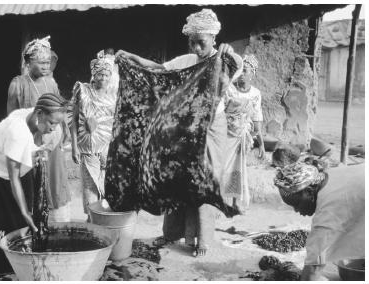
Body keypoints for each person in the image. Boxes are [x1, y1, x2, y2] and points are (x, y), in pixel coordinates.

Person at [116, 8, 243, 257]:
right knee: (180, 178)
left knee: (206, 180)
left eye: (201, 43)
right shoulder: (185, 62)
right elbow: (159, 70)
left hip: (211, 130)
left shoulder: (223, 60)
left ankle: (203, 240)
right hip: (185, 129)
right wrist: (133, 58)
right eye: (192, 42)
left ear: (214, 39)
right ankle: (173, 233)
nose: (196, 48)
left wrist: (229, 50)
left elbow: (236, 63)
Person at [0, 93, 68, 279]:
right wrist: (25, 212)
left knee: (23, 217)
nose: (54, 128)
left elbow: (43, 146)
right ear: (39, 113)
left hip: (18, 165)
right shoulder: (17, 132)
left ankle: (20, 261)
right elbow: (13, 176)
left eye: (57, 123)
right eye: (52, 123)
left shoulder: (36, 118)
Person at [7, 36, 71, 222]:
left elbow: (60, 108)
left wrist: (65, 128)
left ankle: (55, 223)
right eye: (41, 63)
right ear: (27, 62)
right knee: (33, 182)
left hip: (53, 140)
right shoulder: (17, 84)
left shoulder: (50, 82)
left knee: (55, 180)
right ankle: (35, 223)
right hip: (31, 141)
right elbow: (12, 117)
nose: (46, 67)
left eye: (48, 63)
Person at [275, 162, 364, 281]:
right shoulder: (328, 175)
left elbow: (313, 268)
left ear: (309, 192)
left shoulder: (329, 210)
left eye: (297, 204)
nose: (296, 210)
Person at [70, 53, 117, 218]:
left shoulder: (114, 94)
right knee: (90, 188)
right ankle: (92, 220)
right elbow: (74, 120)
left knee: (107, 188)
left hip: (108, 148)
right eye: (99, 74)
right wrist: (74, 146)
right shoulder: (83, 92)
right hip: (88, 149)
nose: (103, 78)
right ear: (93, 75)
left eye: (106, 75)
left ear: (110, 76)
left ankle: (104, 221)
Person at [223, 54, 265, 211]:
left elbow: (256, 118)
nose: (241, 74)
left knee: (237, 170)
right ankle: (221, 203)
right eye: (239, 70)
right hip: (226, 135)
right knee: (223, 168)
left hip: (242, 137)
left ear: (252, 74)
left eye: (245, 70)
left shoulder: (255, 94)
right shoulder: (229, 89)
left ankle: (234, 203)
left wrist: (261, 144)